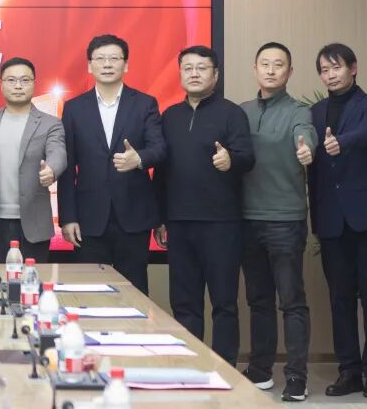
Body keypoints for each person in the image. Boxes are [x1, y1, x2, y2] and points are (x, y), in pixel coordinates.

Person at [154, 45, 254, 366]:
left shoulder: (231, 113)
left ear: (215, 75)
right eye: (188, 68)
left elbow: (248, 157)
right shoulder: (169, 116)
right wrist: (160, 218)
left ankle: (224, 368)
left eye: (201, 68)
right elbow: (161, 172)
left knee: (224, 304)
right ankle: (190, 365)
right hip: (179, 223)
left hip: (221, 224)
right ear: (180, 73)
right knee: (184, 304)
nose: (194, 74)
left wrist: (231, 159)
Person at [58, 35, 166, 294]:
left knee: (134, 292)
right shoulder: (74, 108)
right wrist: (68, 217)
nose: (107, 64)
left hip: (134, 215)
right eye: (100, 59)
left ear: (125, 65)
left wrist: (139, 159)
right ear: (89, 65)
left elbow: (159, 148)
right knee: (90, 293)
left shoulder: (145, 103)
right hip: (89, 219)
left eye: (114, 58)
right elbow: (67, 167)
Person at [239, 42, 315, 402]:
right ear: (255, 69)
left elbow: (306, 136)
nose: (271, 70)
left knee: (292, 300)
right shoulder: (241, 112)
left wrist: (307, 149)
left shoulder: (299, 111)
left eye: (278, 65)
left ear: (289, 72)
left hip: (285, 219)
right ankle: (260, 370)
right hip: (246, 218)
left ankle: (297, 377)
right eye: (265, 64)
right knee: (258, 300)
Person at [308, 43, 367, 397]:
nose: (329, 75)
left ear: (353, 68)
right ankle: (349, 372)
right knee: (340, 299)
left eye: (336, 67)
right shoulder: (315, 112)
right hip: (330, 219)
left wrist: (343, 141)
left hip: (363, 217)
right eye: (324, 70)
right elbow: (312, 167)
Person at [0, 57, 66, 263]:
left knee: (32, 280)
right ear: (1, 84)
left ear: (34, 83)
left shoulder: (50, 123)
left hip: (34, 221)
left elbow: (58, 152)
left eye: (25, 80)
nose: (18, 86)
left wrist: (51, 170)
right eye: (11, 80)